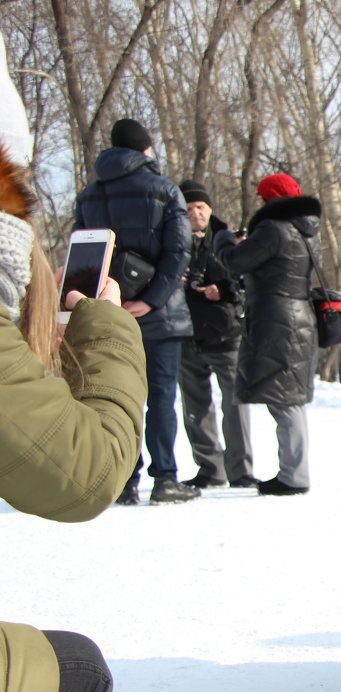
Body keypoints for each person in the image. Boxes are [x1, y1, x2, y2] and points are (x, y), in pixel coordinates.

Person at [0, 62, 147, 692]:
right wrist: (110, 324)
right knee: (80, 674)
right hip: (126, 325)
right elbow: (83, 473)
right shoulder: (156, 198)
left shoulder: (99, 191)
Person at [73, 118, 198, 505]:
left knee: (115, 393)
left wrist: (105, 302)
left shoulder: (89, 195)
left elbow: (83, 251)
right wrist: (152, 299)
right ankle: (165, 479)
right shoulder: (164, 190)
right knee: (161, 396)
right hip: (158, 315)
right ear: (146, 150)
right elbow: (179, 252)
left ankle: (124, 479)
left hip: (107, 312)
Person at [215, 172, 320, 495]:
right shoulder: (307, 231)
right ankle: (293, 471)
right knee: (290, 398)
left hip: (278, 321)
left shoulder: (274, 228)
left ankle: (293, 476)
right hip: (299, 317)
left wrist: (222, 238)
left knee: (285, 400)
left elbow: (234, 262)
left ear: (271, 198)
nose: (259, 203)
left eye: (262, 197)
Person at [176, 179, 257, 489]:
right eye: (188, 209)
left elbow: (247, 280)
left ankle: (240, 470)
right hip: (187, 332)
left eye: (200, 207)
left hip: (226, 332)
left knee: (235, 406)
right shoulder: (173, 240)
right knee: (195, 407)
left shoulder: (229, 239)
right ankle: (210, 468)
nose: (195, 213)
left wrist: (222, 289)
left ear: (210, 209)